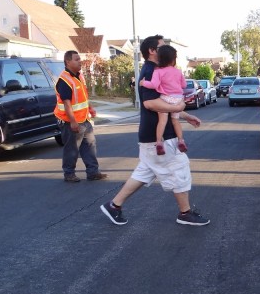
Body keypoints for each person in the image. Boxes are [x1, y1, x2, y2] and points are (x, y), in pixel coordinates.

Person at [100, 35, 209, 227]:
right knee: (178, 168)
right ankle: (185, 213)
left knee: (145, 172)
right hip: (159, 137)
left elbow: (167, 100)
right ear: (152, 50)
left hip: (151, 136)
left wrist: (184, 115)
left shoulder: (157, 70)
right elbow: (150, 102)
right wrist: (178, 108)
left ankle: (114, 205)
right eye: (162, 46)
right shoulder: (151, 71)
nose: (165, 49)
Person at [54, 50, 107, 183]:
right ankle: (69, 173)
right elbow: (67, 104)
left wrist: (90, 108)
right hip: (70, 121)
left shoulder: (79, 76)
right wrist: (72, 122)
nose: (80, 61)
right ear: (68, 62)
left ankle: (93, 172)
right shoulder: (64, 80)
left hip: (84, 119)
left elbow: (82, 97)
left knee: (90, 145)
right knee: (72, 149)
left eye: (80, 59)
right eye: (76, 59)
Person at [139, 45, 188, 155]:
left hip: (166, 98)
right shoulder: (178, 71)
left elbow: (153, 84)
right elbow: (184, 85)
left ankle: (159, 142)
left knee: (162, 121)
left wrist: (143, 83)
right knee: (175, 121)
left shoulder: (158, 71)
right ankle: (181, 140)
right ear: (174, 59)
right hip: (178, 98)